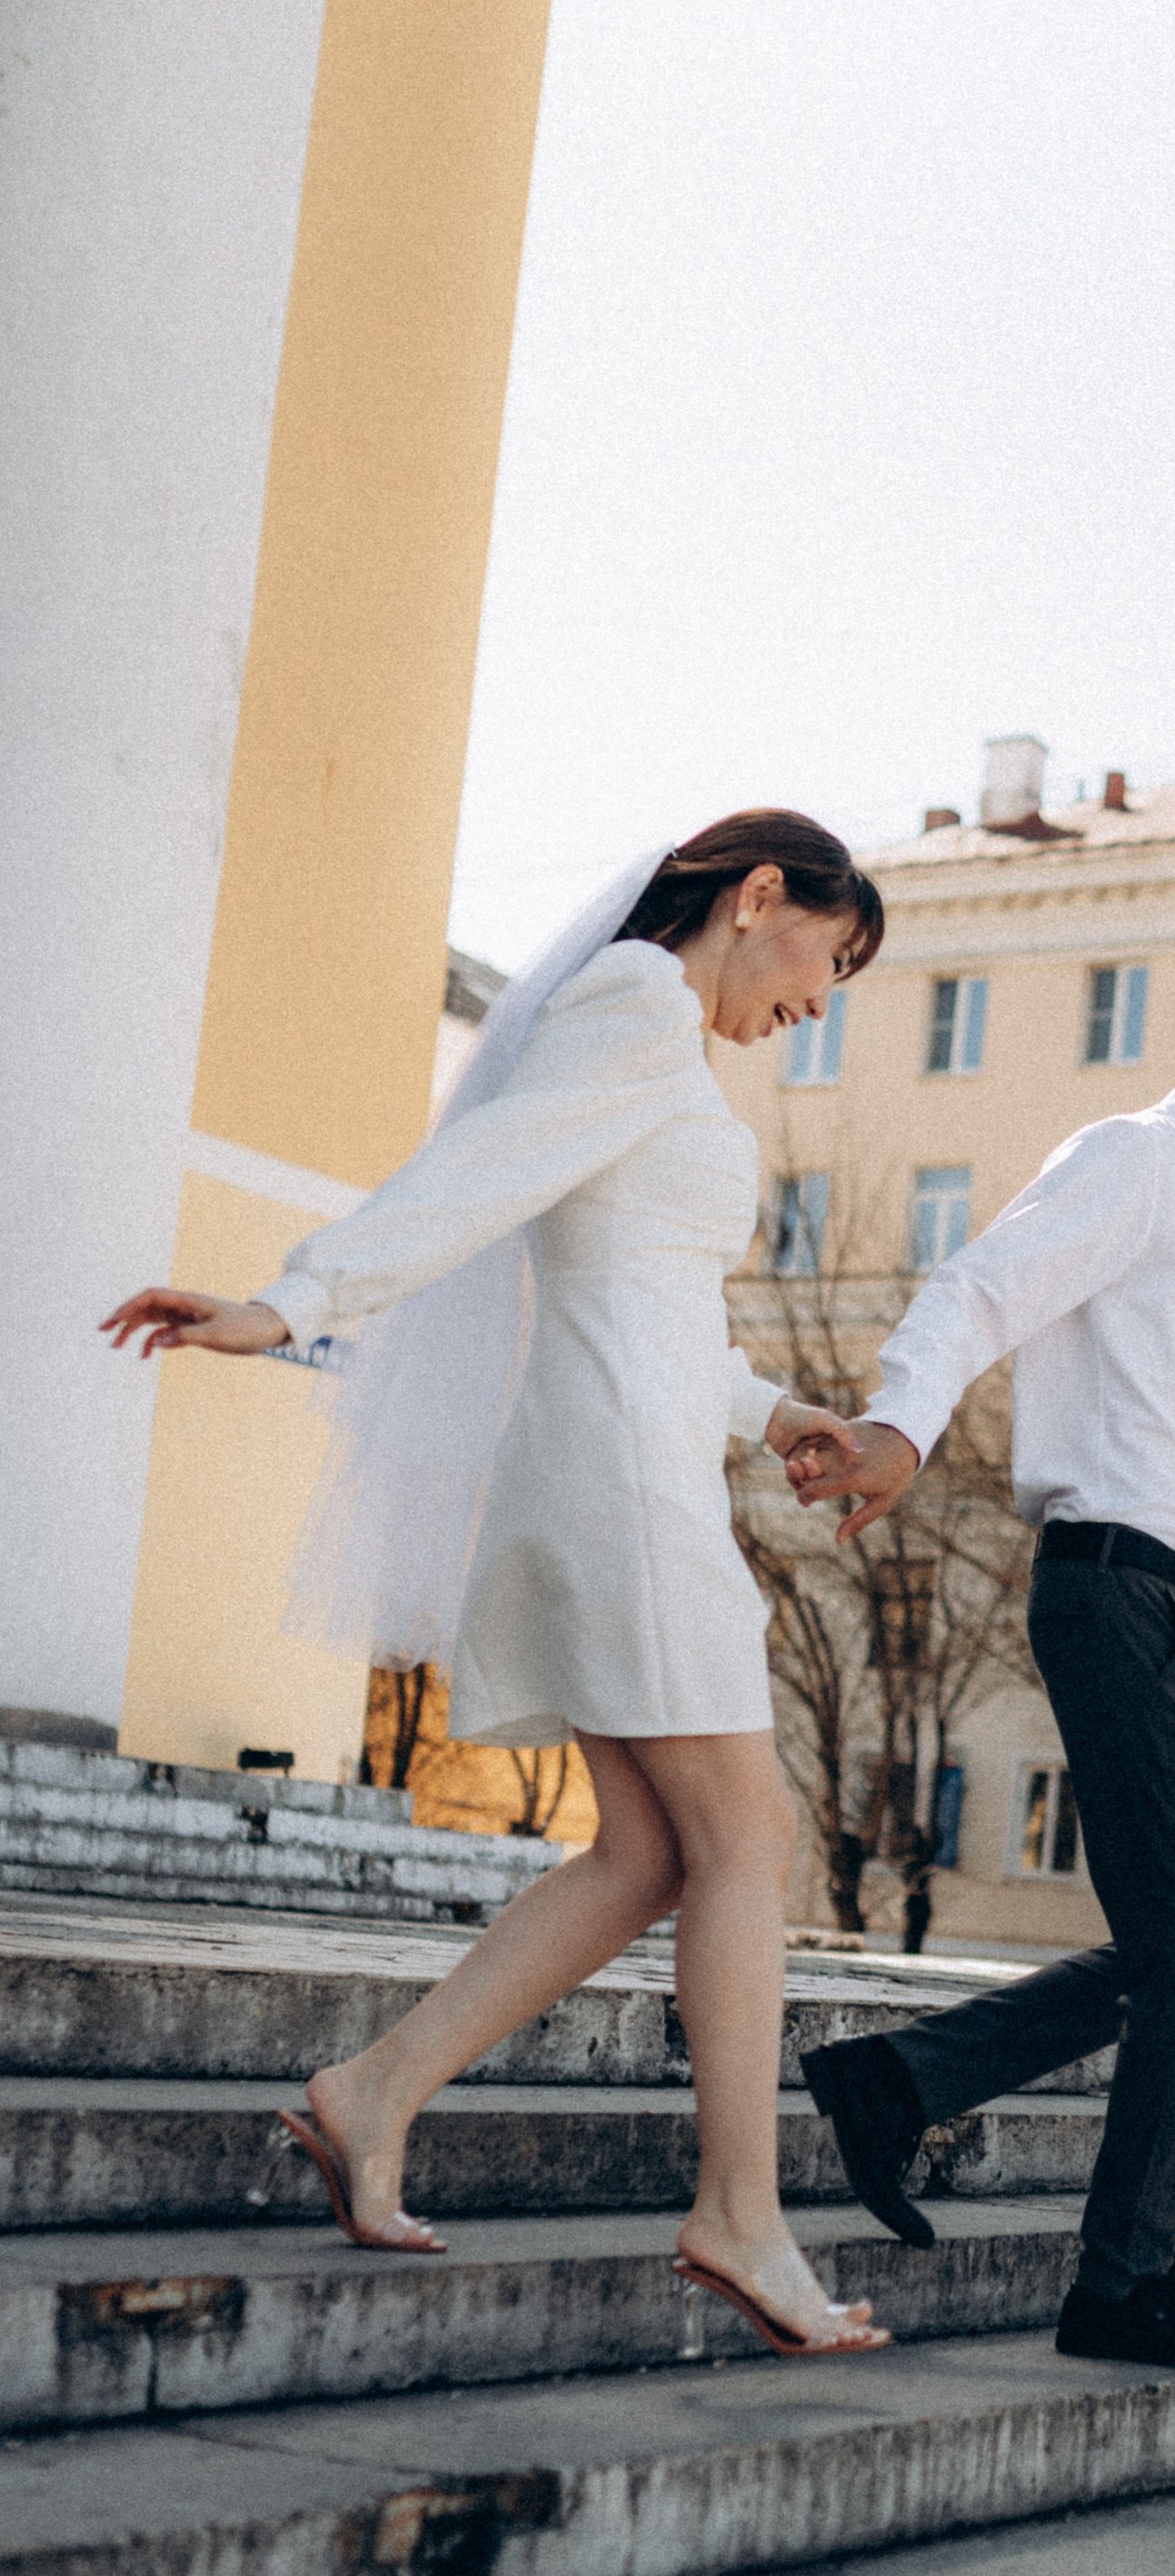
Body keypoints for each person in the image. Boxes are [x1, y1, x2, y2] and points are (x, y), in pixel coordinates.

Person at [103, 811, 889, 2359]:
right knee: (751, 1835)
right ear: (758, 897)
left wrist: (773, 1409)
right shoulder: (640, 1006)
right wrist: (291, 1301)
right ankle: (739, 2212)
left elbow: (640, 1293)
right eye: (831, 957)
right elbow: (476, 1180)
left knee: (654, 1850)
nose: (824, 1000)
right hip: (622, 1494)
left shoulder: (664, 1045)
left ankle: (372, 2092)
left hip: (638, 1462)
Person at [788, 937, 1175, 2373]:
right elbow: (982, 1289)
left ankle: (896, 2084)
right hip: (1112, 1589)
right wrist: (901, 1426)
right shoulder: (1132, 1160)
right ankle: (1114, 2282)